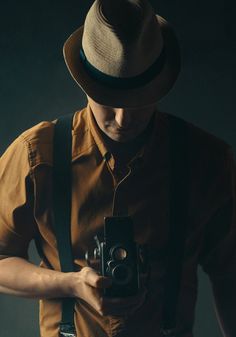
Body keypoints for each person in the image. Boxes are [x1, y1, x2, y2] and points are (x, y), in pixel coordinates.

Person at [0, 0, 235, 337]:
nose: (123, 118)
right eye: (109, 99)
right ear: (85, 83)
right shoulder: (36, 155)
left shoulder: (207, 161)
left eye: (140, 100)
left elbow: (230, 274)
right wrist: (70, 284)